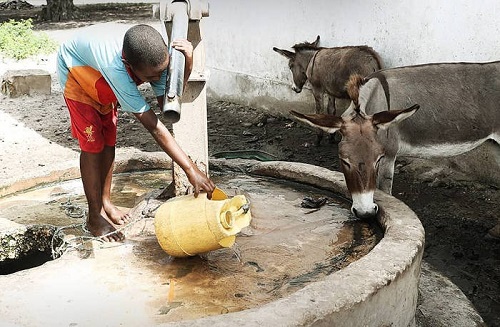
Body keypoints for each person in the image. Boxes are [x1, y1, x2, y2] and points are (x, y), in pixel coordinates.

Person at [56, 23, 215, 242]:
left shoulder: (155, 59)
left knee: (109, 141)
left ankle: (107, 203)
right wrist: (191, 169)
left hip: (103, 74)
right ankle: (94, 216)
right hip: (78, 73)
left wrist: (187, 64)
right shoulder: (117, 70)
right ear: (128, 65)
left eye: (162, 73)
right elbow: (154, 126)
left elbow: (168, 105)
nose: (158, 79)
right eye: (151, 78)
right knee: (93, 144)